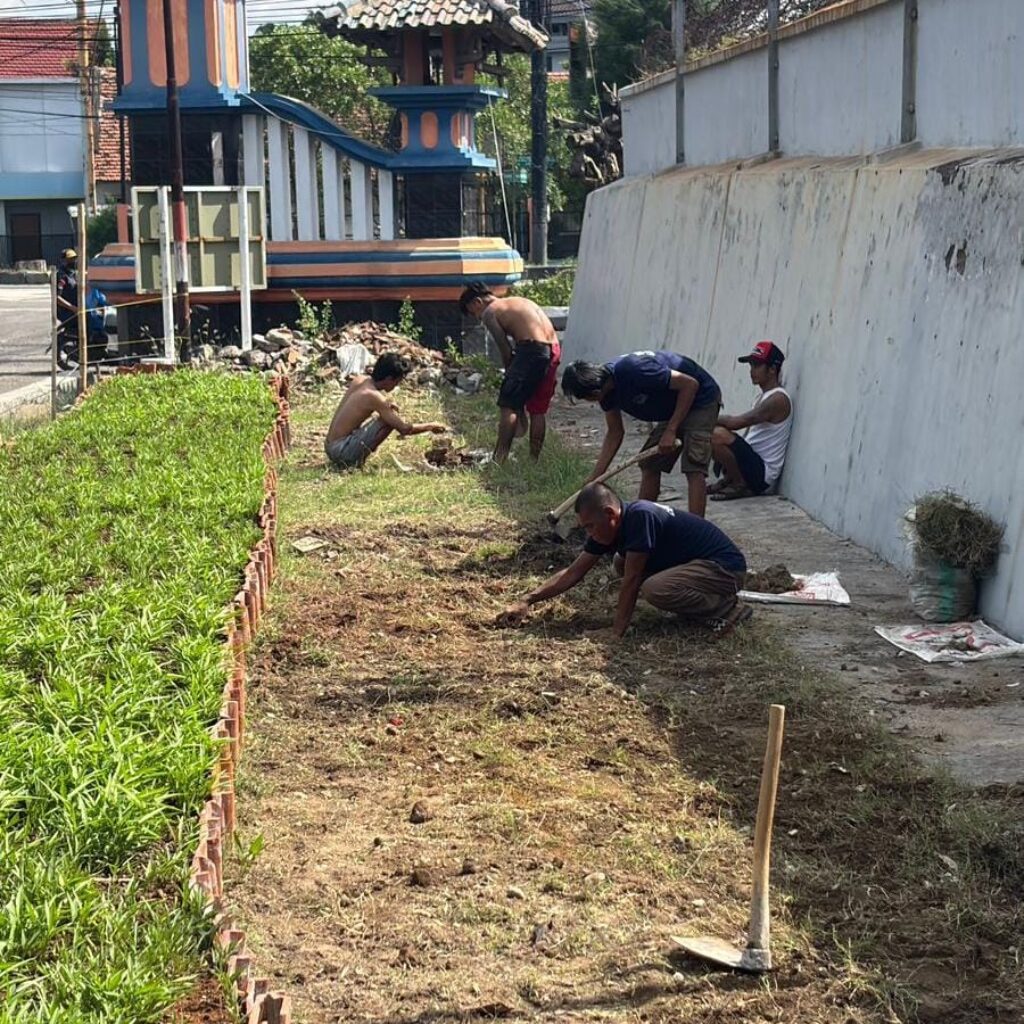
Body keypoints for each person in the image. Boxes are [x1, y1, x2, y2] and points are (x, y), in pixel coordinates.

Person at [499, 482, 750, 637]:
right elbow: (574, 572)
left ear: (610, 514)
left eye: (590, 526)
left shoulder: (640, 517)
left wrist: (615, 631)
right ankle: (696, 603)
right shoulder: (608, 526)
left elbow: (631, 581)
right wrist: (527, 600)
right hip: (692, 564)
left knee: (654, 589)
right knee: (621, 561)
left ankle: (727, 608)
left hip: (724, 569)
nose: (589, 533)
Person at [560, 351, 722, 516]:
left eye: (587, 399)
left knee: (694, 465)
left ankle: (696, 526)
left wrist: (671, 430)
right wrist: (595, 477)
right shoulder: (606, 394)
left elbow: (690, 385)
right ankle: (643, 519)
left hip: (700, 399)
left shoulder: (635, 370)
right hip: (674, 407)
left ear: (594, 393)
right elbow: (615, 433)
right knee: (650, 464)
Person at [458, 281, 561, 463]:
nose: (478, 318)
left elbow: (505, 350)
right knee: (537, 409)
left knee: (508, 405)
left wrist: (509, 377)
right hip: (552, 348)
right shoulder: (517, 301)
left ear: (477, 302)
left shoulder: (490, 312)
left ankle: (499, 459)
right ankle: (533, 461)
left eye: (474, 313)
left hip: (532, 349)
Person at [324, 352, 446, 469]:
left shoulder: (360, 380)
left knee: (388, 414)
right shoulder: (373, 396)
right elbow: (404, 429)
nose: (396, 385)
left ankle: (354, 454)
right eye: (397, 381)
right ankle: (356, 461)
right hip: (341, 452)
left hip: (330, 445)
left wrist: (385, 407)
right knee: (389, 420)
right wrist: (430, 426)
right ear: (389, 379)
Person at [710, 341, 793, 500]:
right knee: (710, 434)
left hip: (762, 474)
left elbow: (736, 423)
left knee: (717, 434)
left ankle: (739, 484)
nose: (751, 371)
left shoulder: (778, 399)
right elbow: (748, 436)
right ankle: (731, 479)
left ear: (772, 369)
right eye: (751, 366)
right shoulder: (762, 397)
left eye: (757, 366)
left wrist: (704, 418)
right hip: (753, 463)